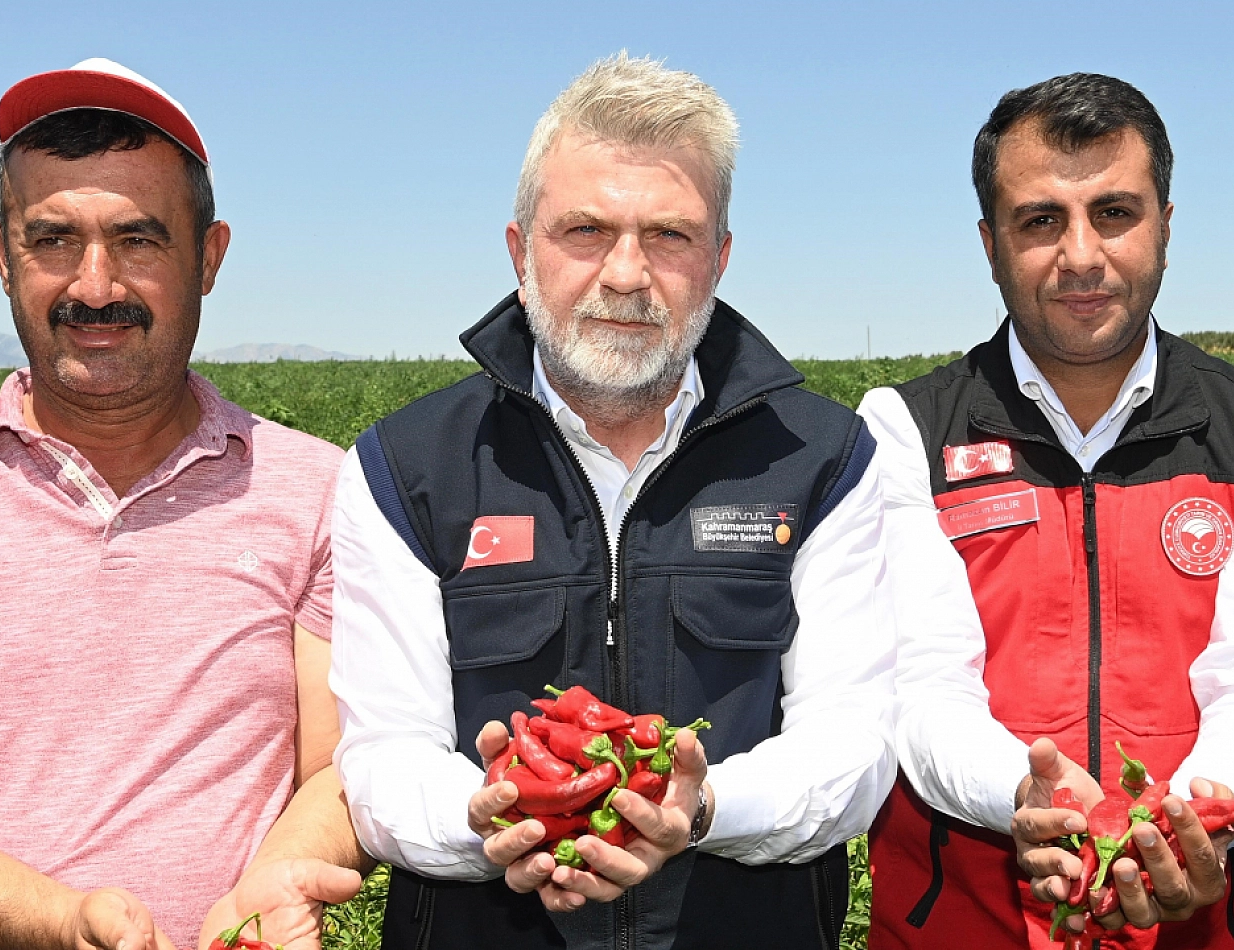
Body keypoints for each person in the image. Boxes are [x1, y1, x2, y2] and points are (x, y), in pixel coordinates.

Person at [0, 58, 366, 950]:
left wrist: (275, 883)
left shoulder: (319, 491)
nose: (95, 287)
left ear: (208, 257)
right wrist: (58, 923)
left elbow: (338, 766)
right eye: (52, 240)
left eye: (139, 240)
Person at [330, 53, 897, 950]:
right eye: (585, 231)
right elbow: (381, 757)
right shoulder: (407, 467)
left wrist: (701, 807)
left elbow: (853, 747)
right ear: (521, 252)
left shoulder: (822, 459)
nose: (627, 274)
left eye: (669, 236)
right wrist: (493, 820)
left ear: (719, 259)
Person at [859, 73, 1234, 949]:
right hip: (964, 923)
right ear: (990, 242)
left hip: (1204, 921)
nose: (1081, 255)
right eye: (1040, 219)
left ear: (1166, 223)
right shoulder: (902, 430)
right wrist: (1020, 792)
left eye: (1115, 213)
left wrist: (1198, 816)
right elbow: (920, 685)